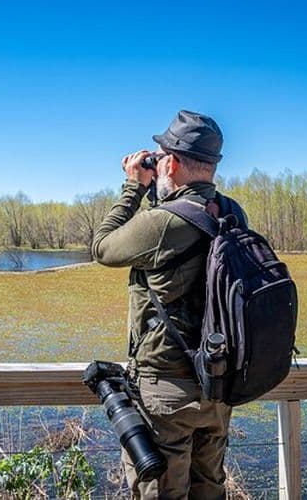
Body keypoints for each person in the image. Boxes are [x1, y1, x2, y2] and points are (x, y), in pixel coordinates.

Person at [92, 110, 235, 499]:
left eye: (158, 158)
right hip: (218, 388)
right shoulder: (232, 214)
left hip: (166, 395)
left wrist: (132, 187)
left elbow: (102, 248)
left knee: (162, 493)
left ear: (169, 162)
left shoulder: (161, 224)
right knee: (209, 491)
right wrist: (160, 188)